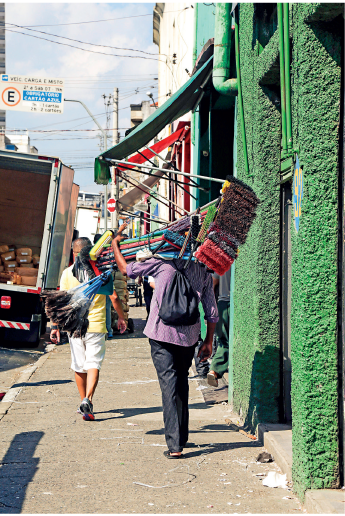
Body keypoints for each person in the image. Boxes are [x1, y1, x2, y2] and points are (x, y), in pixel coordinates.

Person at [111, 223, 218, 458]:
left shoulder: (160, 263)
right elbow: (211, 310)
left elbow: (126, 270)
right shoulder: (202, 270)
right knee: (181, 382)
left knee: (168, 385)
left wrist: (115, 245)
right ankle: (182, 436)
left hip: (161, 334)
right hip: (189, 337)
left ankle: (174, 446)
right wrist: (208, 342)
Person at [50, 237, 127, 421]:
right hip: (96, 325)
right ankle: (88, 399)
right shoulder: (100, 273)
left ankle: (84, 404)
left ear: (75, 254)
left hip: (75, 326)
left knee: (79, 365)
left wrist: (55, 326)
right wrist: (122, 318)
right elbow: (115, 298)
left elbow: (61, 302)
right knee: (93, 363)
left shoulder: (67, 273)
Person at [207, 269, 231, 387]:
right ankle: (215, 370)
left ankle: (214, 370)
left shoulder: (225, 260)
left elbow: (214, 281)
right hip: (234, 302)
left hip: (222, 303)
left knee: (223, 341)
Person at [93, 233, 113, 340]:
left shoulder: (92, 253)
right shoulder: (106, 253)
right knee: (107, 308)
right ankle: (108, 330)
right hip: (105, 283)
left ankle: (106, 330)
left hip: (95, 284)